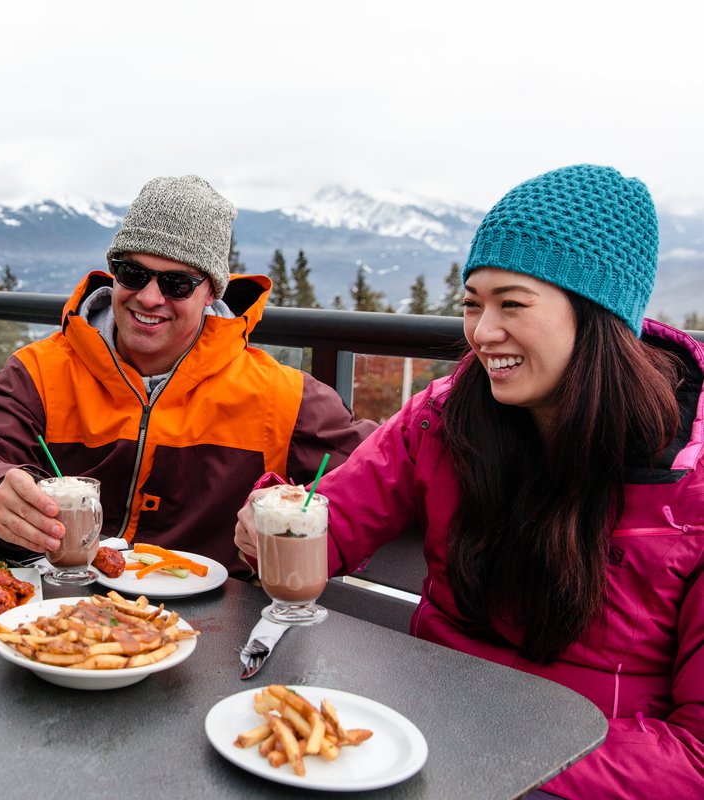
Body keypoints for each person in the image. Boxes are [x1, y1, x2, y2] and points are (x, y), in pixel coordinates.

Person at [236, 164, 704, 796]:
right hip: (415, 746)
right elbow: (333, 525)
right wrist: (272, 523)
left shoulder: (690, 493)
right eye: (472, 304)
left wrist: (486, 754)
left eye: (512, 303)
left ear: (598, 318)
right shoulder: (444, 417)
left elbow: (695, 754)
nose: (482, 334)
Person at [0, 175, 376, 575]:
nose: (148, 297)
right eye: (133, 273)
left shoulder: (284, 399)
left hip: (214, 634)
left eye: (176, 284)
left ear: (209, 293)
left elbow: (378, 475)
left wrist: (288, 507)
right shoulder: (41, 372)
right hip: (57, 619)